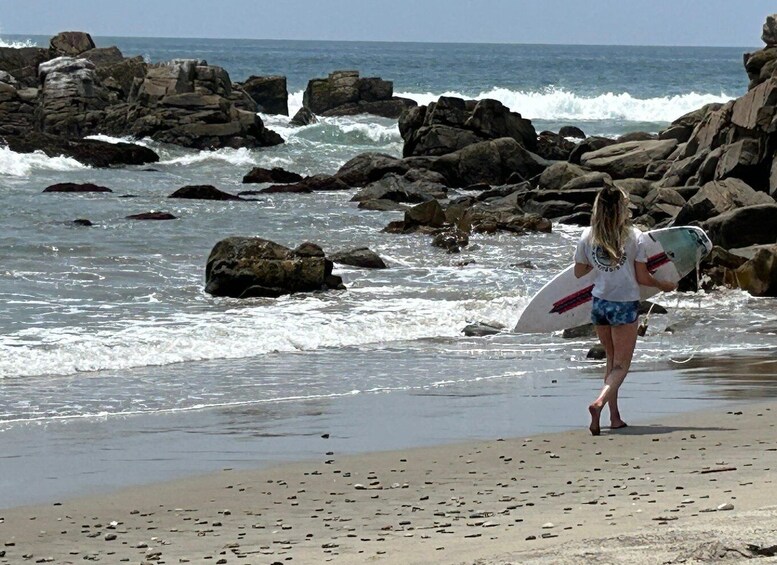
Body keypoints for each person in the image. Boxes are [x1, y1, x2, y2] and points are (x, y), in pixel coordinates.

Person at [573, 185, 676, 436]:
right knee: (621, 366)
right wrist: (664, 284)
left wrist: (597, 264)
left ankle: (614, 417)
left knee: (611, 361)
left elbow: (578, 271)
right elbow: (642, 276)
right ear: (622, 209)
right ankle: (598, 403)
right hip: (624, 304)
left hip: (599, 304)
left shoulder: (588, 236)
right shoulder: (634, 236)